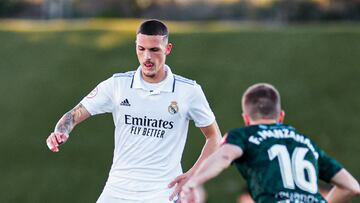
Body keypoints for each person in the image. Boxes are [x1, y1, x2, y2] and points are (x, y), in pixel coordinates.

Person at [46, 19, 222, 203]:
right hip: (116, 190)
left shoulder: (188, 91)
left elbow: (214, 137)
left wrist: (193, 174)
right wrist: (61, 131)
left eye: (154, 50)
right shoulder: (117, 85)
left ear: (167, 49)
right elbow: (74, 114)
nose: (147, 57)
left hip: (161, 194)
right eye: (141, 49)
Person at [181, 83, 360, 203]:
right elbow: (352, 187)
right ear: (280, 116)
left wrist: (193, 182)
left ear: (246, 119)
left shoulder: (245, 135)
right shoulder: (307, 144)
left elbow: (225, 155)